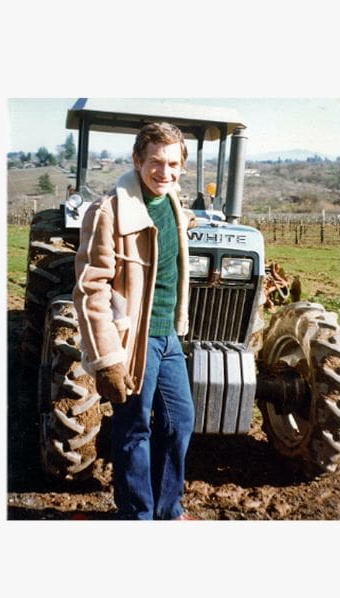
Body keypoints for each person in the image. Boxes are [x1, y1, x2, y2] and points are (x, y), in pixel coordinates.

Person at [73, 123, 196, 520]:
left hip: (168, 336)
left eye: (174, 164)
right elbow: (90, 290)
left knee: (180, 422)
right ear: (137, 160)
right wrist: (107, 359)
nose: (165, 172)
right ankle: (138, 516)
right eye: (156, 163)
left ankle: (167, 510)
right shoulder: (108, 213)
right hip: (131, 341)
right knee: (134, 429)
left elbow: (167, 227)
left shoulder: (173, 203)